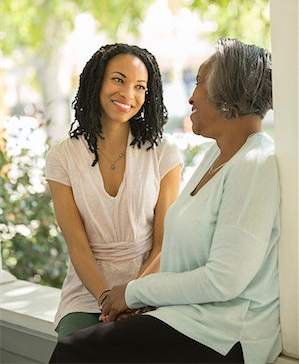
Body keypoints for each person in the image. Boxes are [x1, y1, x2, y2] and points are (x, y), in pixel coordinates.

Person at [49, 38, 281, 364]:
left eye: (199, 82)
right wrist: (125, 298)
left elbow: (223, 280)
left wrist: (133, 294)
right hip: (184, 315)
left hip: (226, 332)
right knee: (76, 346)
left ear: (227, 96)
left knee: (77, 353)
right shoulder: (215, 153)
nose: (190, 95)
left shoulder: (256, 164)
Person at [45, 43, 182, 339]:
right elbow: (78, 247)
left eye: (140, 87)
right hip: (86, 294)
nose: (128, 94)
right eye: (118, 80)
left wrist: (131, 297)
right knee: (76, 350)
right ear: (97, 82)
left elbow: (163, 245)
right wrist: (108, 299)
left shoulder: (164, 154)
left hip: (149, 290)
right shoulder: (62, 157)